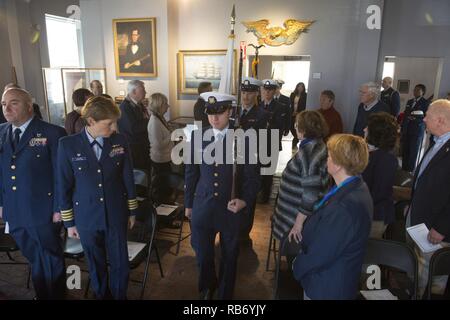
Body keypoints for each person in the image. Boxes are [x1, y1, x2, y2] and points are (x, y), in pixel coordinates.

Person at [58, 96, 138, 300]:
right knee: (95, 263)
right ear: (91, 121)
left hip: (116, 213)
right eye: (109, 123)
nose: (114, 127)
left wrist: (132, 210)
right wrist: (69, 222)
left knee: (120, 263)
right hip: (86, 216)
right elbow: (63, 185)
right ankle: (102, 295)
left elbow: (127, 177)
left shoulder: (119, 140)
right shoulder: (68, 145)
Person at [184, 92, 260, 299]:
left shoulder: (244, 138)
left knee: (229, 257)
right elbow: (191, 173)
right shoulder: (197, 137)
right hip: (203, 205)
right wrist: (188, 204)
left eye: (219, 112)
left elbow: (252, 178)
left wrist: (244, 200)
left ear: (230, 112)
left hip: (230, 208)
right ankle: (207, 288)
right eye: (210, 113)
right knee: (203, 255)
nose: (214, 118)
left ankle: (225, 295)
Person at [0, 88, 67, 299]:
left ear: (29, 106)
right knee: (34, 257)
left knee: (51, 256)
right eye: (3, 104)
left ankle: (55, 295)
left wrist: (59, 208)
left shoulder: (52, 133)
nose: (7, 109)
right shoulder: (1, 132)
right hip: (15, 210)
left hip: (44, 211)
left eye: (14, 103)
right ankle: (43, 293)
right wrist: (2, 204)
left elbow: (61, 175)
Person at [292, 134, 373, 300]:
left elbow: (322, 253)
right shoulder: (354, 186)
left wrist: (297, 265)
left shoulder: (344, 206)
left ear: (337, 165)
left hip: (327, 286)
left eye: (328, 156)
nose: (325, 160)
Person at [406, 99, 450, 298]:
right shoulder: (437, 142)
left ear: (440, 121)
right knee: (418, 272)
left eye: (428, 116)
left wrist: (442, 227)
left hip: (436, 230)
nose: (424, 120)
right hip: (421, 221)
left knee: (433, 280)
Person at [273, 111, 329, 247]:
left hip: (295, 223)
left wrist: (298, 225)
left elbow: (310, 195)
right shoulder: (317, 145)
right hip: (297, 217)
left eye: (297, 124)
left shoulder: (309, 153)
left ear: (303, 129)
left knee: (294, 259)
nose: (295, 126)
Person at [237, 77, 269, 243]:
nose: (245, 96)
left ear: (256, 93)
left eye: (249, 93)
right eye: (243, 92)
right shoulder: (234, 111)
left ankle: (244, 233)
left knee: (247, 196)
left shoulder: (262, 115)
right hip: (233, 162)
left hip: (251, 162)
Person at [362, 112, 399, 238]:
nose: (364, 129)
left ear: (376, 133)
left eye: (368, 127)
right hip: (365, 211)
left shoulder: (386, 159)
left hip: (375, 216)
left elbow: (379, 193)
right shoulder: (373, 153)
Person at [258, 79, 290, 203]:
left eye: (270, 90)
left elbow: (280, 125)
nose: (267, 92)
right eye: (265, 90)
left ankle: (265, 196)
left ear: (274, 91)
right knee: (258, 170)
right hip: (259, 144)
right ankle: (257, 193)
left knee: (268, 172)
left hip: (272, 143)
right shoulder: (258, 106)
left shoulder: (280, 107)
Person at [117, 80, 150, 170]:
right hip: (134, 149)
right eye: (143, 90)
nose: (145, 92)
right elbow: (133, 128)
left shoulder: (138, 104)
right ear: (134, 92)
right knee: (140, 176)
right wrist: (150, 121)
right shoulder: (125, 107)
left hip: (142, 147)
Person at [147, 93, 174, 202]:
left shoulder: (159, 118)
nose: (168, 106)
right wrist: (172, 135)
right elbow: (158, 145)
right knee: (161, 190)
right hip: (159, 160)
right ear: (160, 105)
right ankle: (161, 213)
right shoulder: (154, 121)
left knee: (166, 188)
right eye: (166, 104)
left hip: (165, 158)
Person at [401, 84, 430, 172]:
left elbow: (426, 116)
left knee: (413, 151)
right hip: (407, 129)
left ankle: (410, 171)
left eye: (418, 90)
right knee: (405, 150)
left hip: (417, 130)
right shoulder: (410, 101)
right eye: (414, 89)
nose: (415, 91)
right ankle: (404, 169)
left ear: (423, 92)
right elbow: (406, 113)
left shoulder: (425, 103)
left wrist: (416, 118)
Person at [289, 82, 307, 148]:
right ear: (297, 87)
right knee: (291, 127)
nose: (300, 88)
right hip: (292, 114)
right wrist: (292, 112)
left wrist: (298, 112)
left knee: (297, 127)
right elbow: (290, 104)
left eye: (302, 87)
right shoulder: (293, 94)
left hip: (300, 114)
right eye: (299, 86)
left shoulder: (305, 95)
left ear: (303, 88)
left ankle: (295, 140)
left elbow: (304, 106)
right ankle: (296, 138)